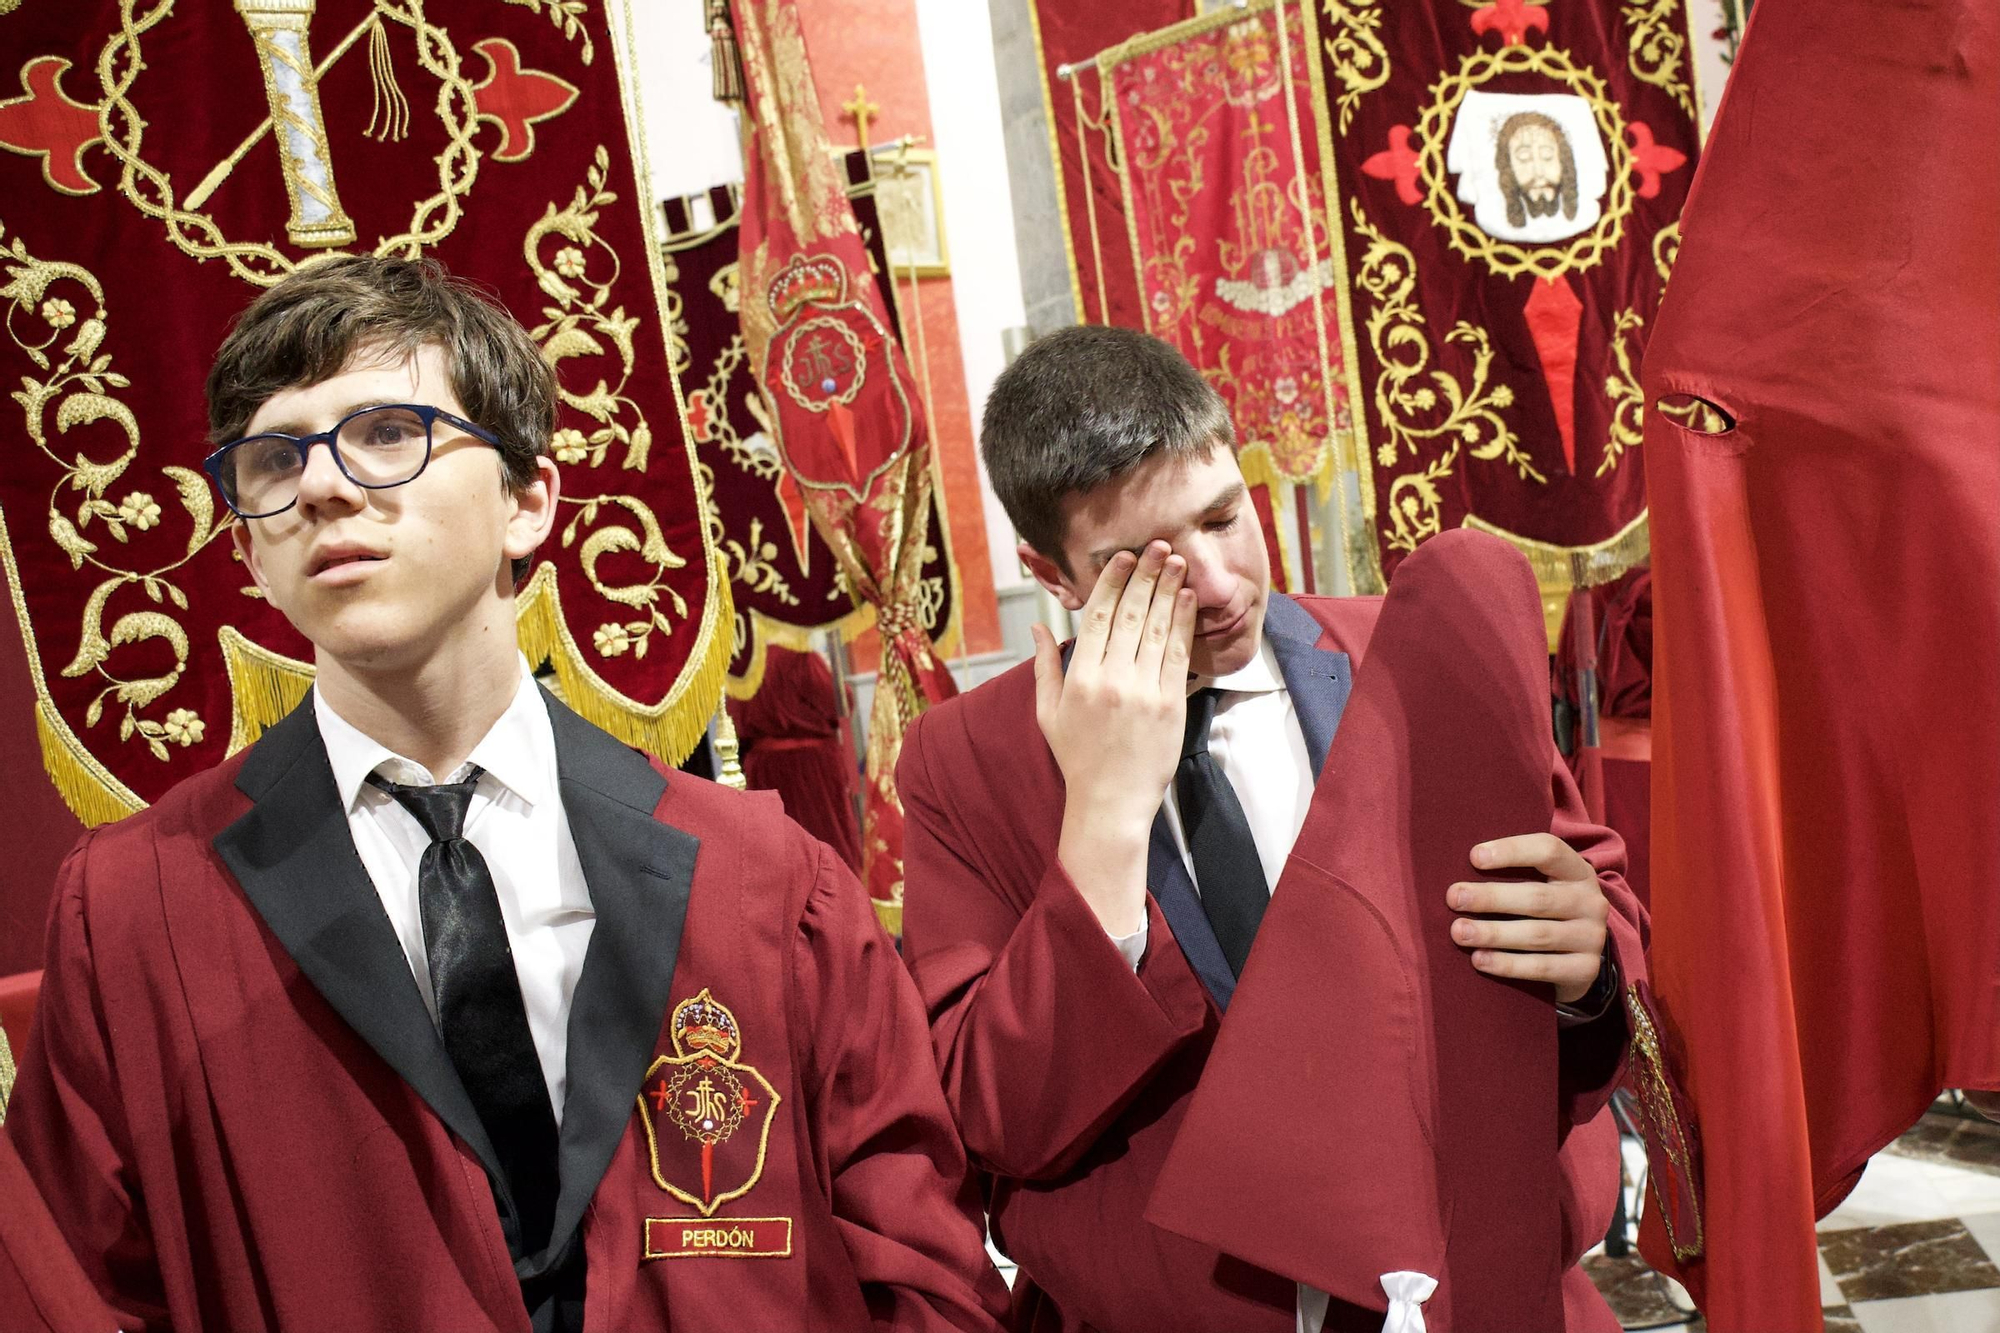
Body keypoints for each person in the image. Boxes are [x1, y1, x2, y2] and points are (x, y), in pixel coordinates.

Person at [3, 256, 1008, 1333]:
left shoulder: (762, 877)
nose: (326, 486)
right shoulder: (137, 909)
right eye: (274, 460)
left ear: (529, 500)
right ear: (248, 548)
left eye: (387, 433)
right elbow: (84, 1293)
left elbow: (919, 1269)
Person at [898, 325, 1646, 1333]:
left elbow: (1598, 917)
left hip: (1475, 1284)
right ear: (1053, 573)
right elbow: (994, 1113)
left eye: (1220, 516)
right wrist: (1107, 819)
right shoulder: (966, 763)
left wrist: (1585, 953)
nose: (1213, 584)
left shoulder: (1407, 656)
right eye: (1142, 562)